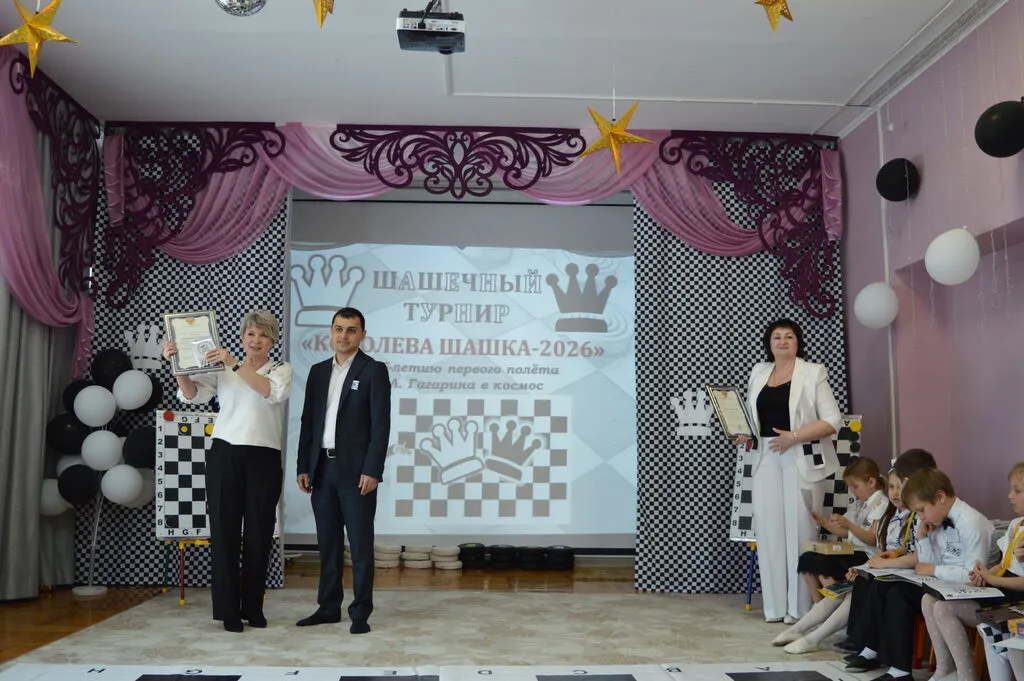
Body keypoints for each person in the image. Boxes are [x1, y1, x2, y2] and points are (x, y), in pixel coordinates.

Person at [162, 310, 292, 633]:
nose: (256, 340)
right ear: (242, 337)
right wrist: (178, 365)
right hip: (225, 453)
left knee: (260, 534)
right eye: (250, 334)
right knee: (224, 534)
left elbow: (269, 391)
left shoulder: (280, 369)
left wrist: (235, 364)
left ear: (272, 340)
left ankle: (253, 608)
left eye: (263, 335)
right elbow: (192, 395)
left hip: (264, 457)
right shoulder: (222, 368)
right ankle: (228, 611)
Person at [736, 319, 842, 623]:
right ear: (769, 343)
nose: (782, 341)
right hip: (765, 457)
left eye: (789, 336)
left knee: (800, 532)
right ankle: (774, 608)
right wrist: (745, 435)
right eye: (777, 337)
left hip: (801, 457)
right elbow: (753, 419)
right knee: (768, 532)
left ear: (798, 342)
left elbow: (832, 421)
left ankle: (799, 610)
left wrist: (794, 437)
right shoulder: (759, 372)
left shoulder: (813, 372)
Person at [295, 307, 391, 634]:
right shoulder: (318, 371)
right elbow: (308, 422)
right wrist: (303, 465)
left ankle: (360, 613)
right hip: (322, 469)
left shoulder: (373, 370)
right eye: (339, 328)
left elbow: (380, 426)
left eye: (351, 330)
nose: (344, 335)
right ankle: (328, 607)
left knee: (360, 546)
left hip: (356, 473)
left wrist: (372, 470)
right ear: (331, 331)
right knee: (329, 544)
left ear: (362, 334)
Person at [846, 468, 992, 681]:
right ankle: (941, 668)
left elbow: (975, 575)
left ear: (940, 497)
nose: (921, 517)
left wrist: (934, 570)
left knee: (901, 594)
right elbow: (927, 562)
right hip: (943, 585)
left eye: (922, 510)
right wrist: (922, 538)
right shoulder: (936, 520)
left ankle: (914, 670)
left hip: (972, 593)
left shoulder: (971, 522)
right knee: (890, 587)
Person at [777, 467, 918, 654]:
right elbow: (886, 550)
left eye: (899, 487)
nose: (894, 493)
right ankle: (799, 629)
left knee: (851, 587)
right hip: (878, 565)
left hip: (885, 567)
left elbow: (885, 546)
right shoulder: (893, 515)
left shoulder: (898, 511)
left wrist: (870, 564)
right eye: (891, 487)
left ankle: (816, 637)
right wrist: (864, 567)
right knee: (838, 585)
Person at [922, 463, 1024, 681]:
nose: (1010, 496)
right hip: (1001, 589)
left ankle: (967, 675)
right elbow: (1005, 564)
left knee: (990, 627)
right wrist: (985, 573)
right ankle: (957, 673)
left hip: (1014, 598)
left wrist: (993, 579)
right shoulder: (1016, 524)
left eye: (1017, 490)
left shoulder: (970, 521)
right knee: (936, 604)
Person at [799, 456, 888, 601]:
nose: (852, 491)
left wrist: (850, 525)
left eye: (855, 486)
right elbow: (845, 532)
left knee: (823, 564)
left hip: (868, 555)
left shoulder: (882, 503)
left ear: (871, 482)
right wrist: (824, 522)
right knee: (806, 559)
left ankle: (833, 605)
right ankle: (818, 603)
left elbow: (872, 539)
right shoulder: (860, 503)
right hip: (854, 550)